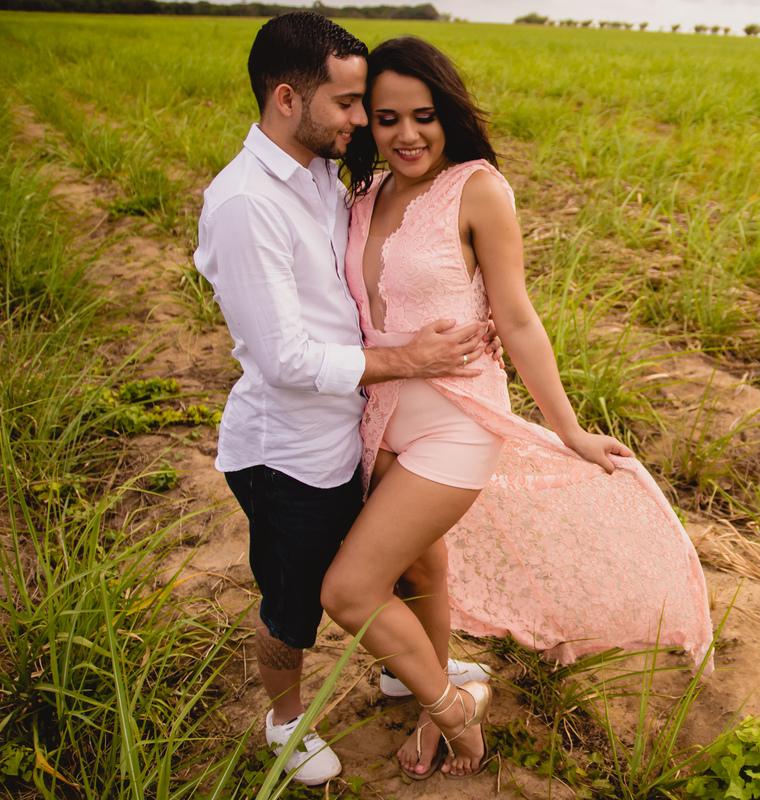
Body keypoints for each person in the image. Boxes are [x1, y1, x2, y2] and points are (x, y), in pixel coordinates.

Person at [321, 37, 714, 781]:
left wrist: (568, 429)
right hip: (378, 420)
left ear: (449, 115)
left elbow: (520, 317)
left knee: (348, 589)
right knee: (416, 570)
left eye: (424, 115)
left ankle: (453, 708)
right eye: (386, 118)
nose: (408, 134)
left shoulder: (477, 189)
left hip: (456, 423)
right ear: (366, 123)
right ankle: (440, 701)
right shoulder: (364, 196)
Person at [194, 13, 493, 786]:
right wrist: (409, 359)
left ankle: (403, 673)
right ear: (288, 98)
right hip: (287, 452)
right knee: (294, 608)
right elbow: (285, 358)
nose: (362, 121)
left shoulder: (326, 176)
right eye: (350, 104)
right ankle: (286, 722)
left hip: (356, 429)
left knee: (404, 561)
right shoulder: (245, 205)